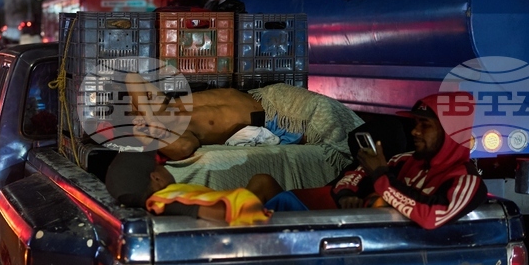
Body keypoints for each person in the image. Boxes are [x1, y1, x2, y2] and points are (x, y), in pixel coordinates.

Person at [126, 77, 363, 169]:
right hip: (275, 121)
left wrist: (148, 114)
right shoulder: (173, 130)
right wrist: (147, 130)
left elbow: (132, 78)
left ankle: (379, 150)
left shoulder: (171, 105)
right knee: (344, 138)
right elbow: (183, 149)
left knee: (343, 118)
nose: (150, 96)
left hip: (270, 96)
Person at [331, 94, 486, 229]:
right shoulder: (401, 160)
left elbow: (431, 217)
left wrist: (380, 176)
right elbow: (352, 177)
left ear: (450, 133)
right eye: (415, 123)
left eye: (425, 125)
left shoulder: (466, 180)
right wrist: (346, 196)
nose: (415, 131)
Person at [105, 151, 307, 225]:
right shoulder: (168, 201)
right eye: (162, 166)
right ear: (155, 177)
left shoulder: (159, 199)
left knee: (262, 181)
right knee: (284, 197)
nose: (166, 168)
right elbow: (224, 214)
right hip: (254, 229)